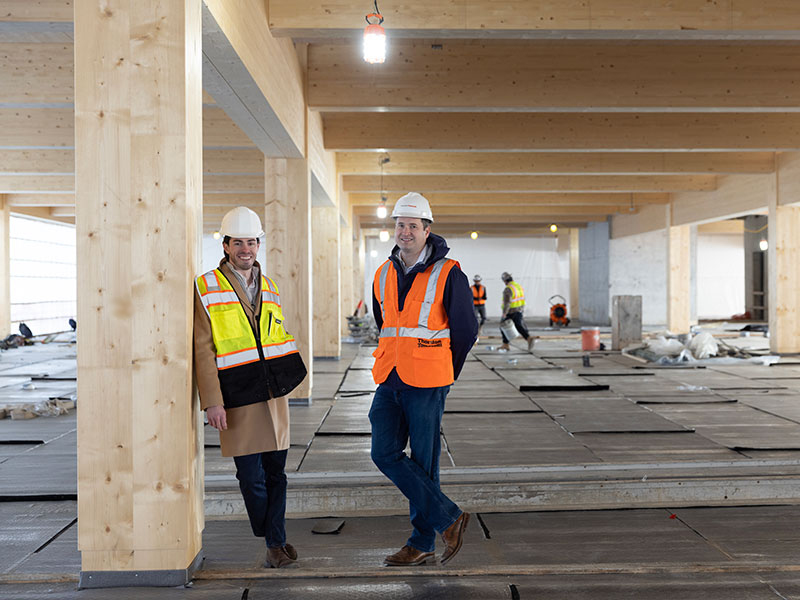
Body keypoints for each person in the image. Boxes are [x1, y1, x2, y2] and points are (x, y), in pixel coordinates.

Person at [193, 206, 307, 569]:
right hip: (237, 394)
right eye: (238, 242)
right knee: (251, 477)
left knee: (277, 474)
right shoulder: (206, 286)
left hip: (274, 394)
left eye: (251, 242)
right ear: (225, 245)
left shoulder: (269, 285)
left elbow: (277, 333)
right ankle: (270, 532)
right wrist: (212, 402)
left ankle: (276, 542)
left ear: (259, 245)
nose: (246, 249)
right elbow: (202, 347)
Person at [370, 192, 478, 567]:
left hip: (428, 380)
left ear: (427, 230)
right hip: (390, 377)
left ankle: (421, 542)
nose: (405, 232)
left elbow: (466, 330)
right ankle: (449, 519)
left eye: (413, 226)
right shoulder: (383, 272)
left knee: (425, 460)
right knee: (383, 452)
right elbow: (383, 324)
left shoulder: (448, 272)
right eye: (400, 225)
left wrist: (448, 372)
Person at [499, 271, 535, 352]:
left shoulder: (508, 288)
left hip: (511, 311)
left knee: (503, 326)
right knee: (518, 326)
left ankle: (527, 338)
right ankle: (507, 344)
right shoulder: (518, 286)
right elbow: (522, 298)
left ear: (505, 281)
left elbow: (507, 303)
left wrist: (504, 313)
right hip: (519, 310)